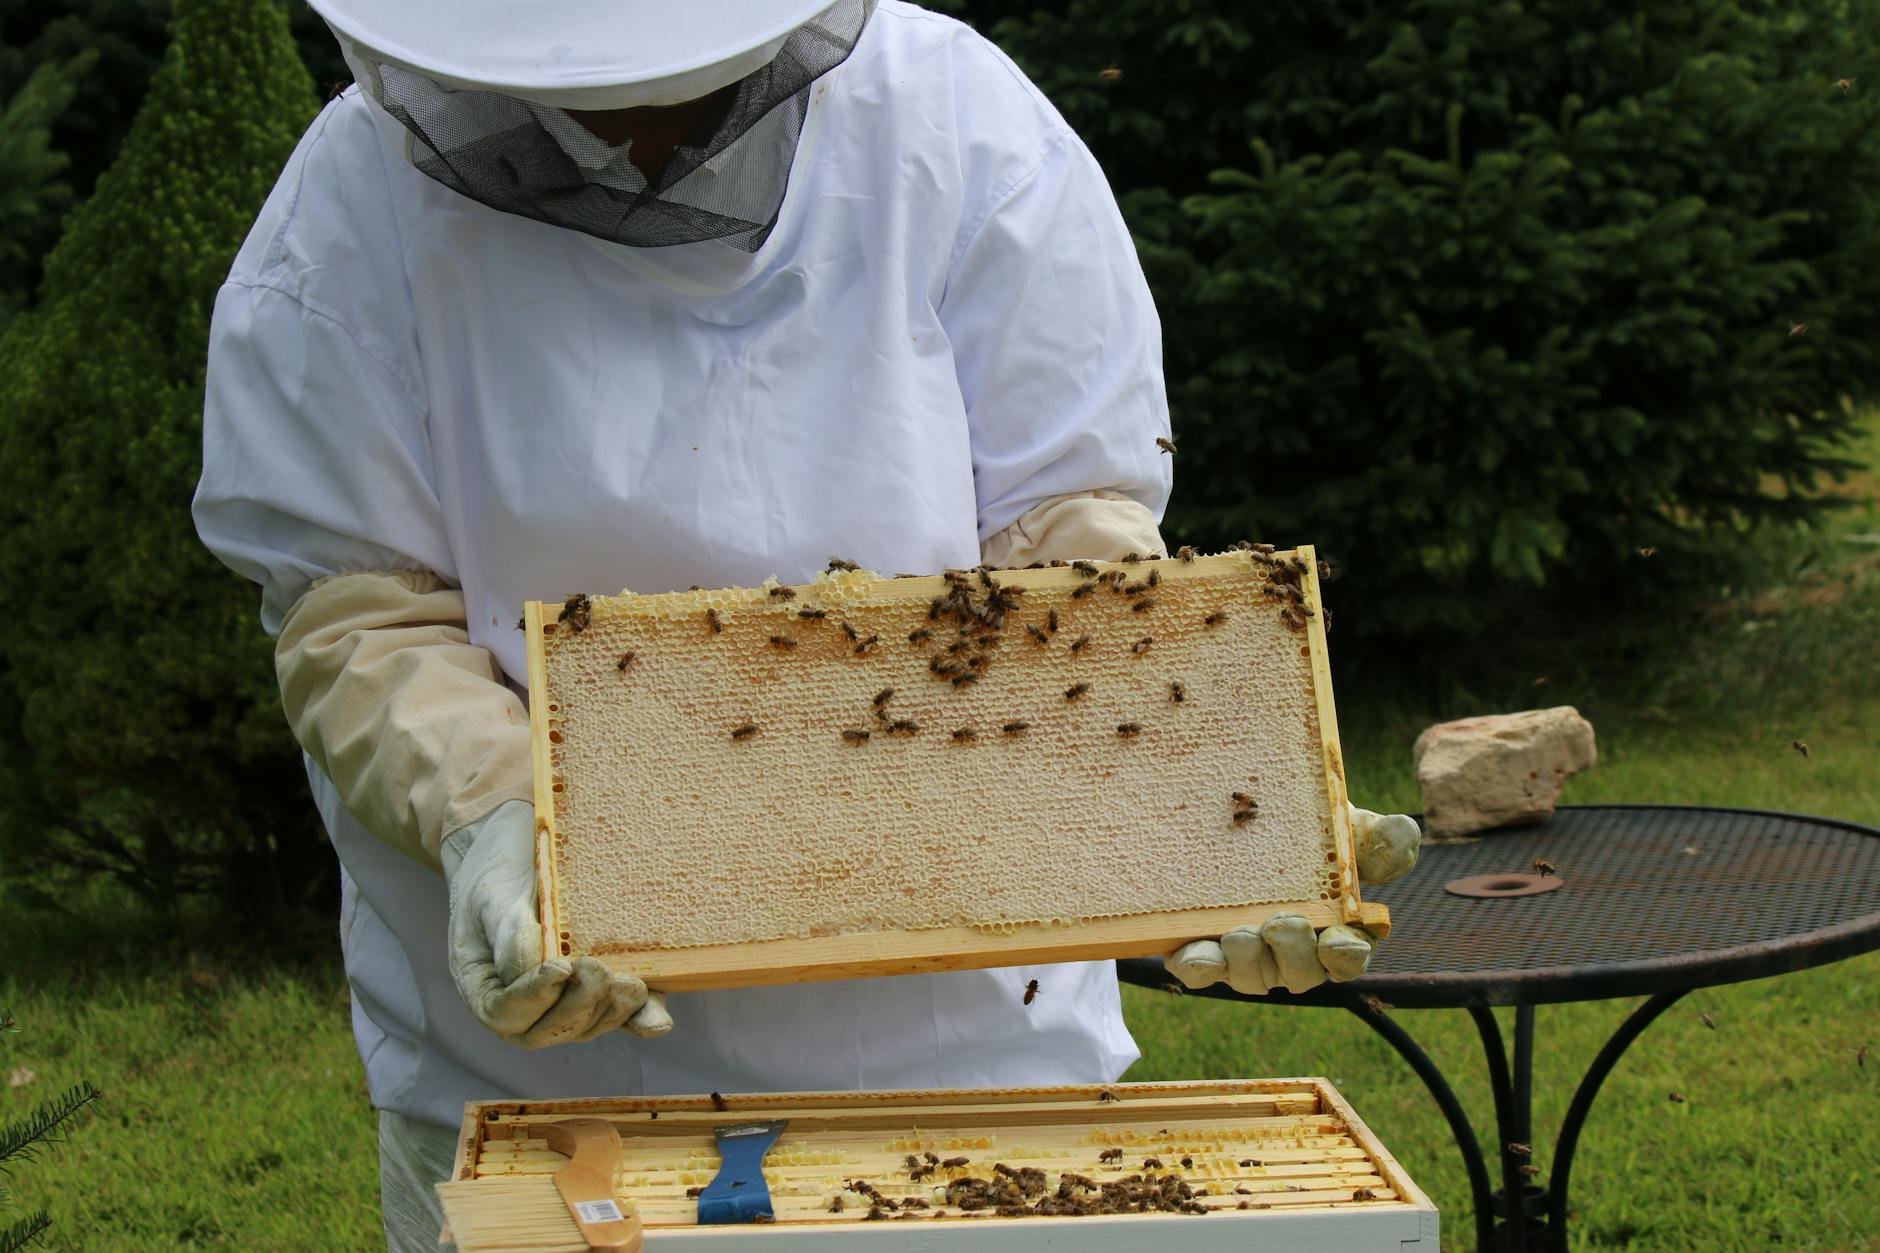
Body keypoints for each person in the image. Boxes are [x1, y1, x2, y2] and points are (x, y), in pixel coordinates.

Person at [191, 2, 1419, 1247]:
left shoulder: (956, 119)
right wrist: (491, 813)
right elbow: (359, 604)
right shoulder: (346, 210)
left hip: (971, 1042)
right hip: (549, 1085)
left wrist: (1206, 789)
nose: (634, 114)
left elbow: (1061, 522)